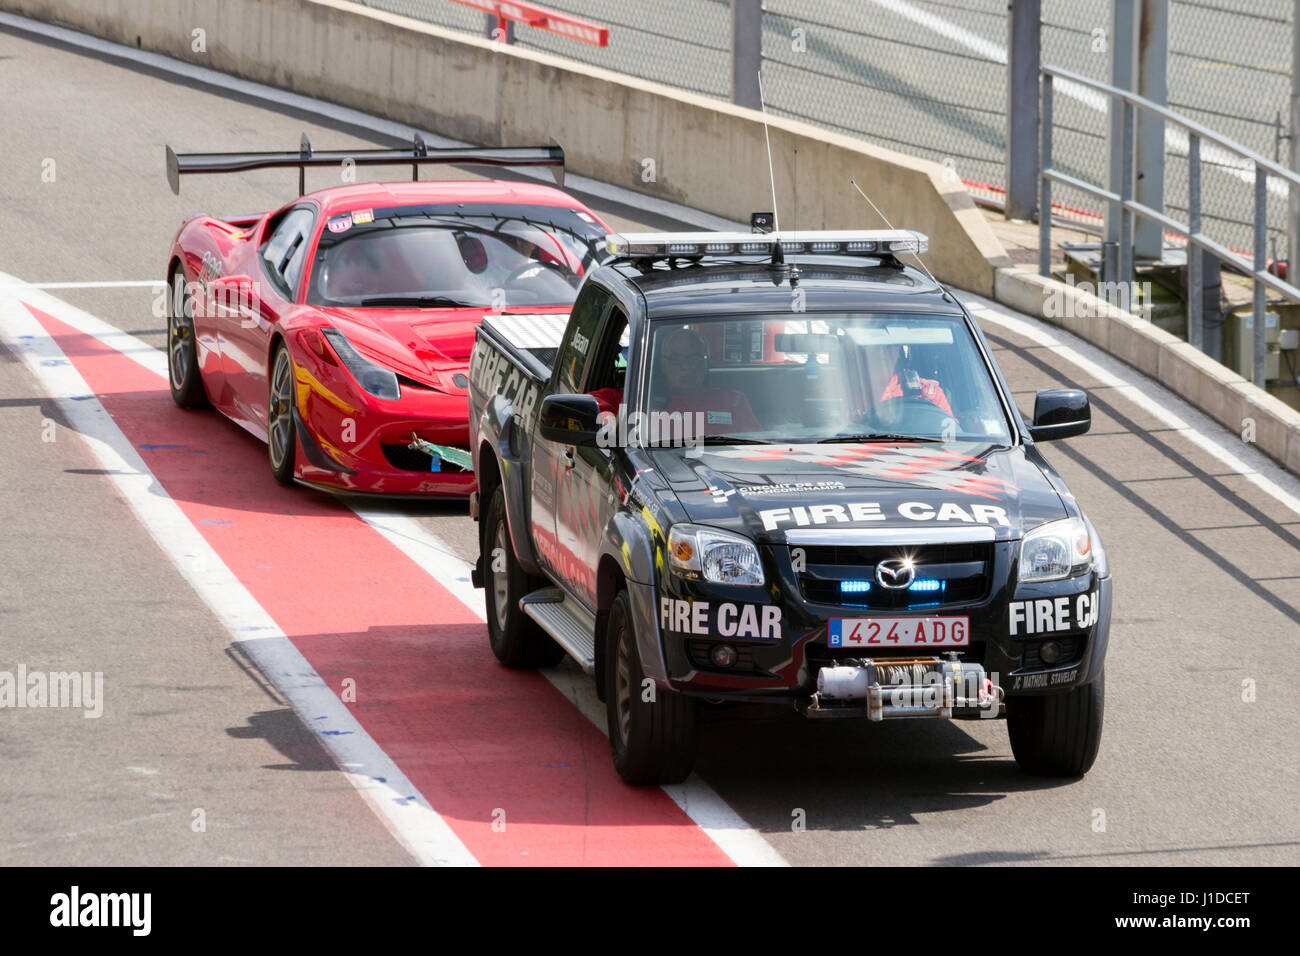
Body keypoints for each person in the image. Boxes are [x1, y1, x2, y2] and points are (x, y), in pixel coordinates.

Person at [655, 327, 761, 433]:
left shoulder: (733, 402)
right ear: (663, 364)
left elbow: (756, 444)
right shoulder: (645, 405)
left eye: (694, 359)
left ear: (706, 364)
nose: (685, 366)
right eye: (676, 359)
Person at [864, 342, 952, 416]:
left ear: (898, 350)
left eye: (891, 345)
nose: (882, 351)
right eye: (877, 344)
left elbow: (951, 431)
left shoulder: (929, 393)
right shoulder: (851, 393)